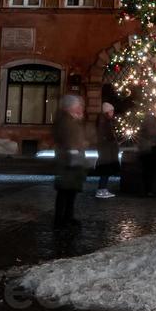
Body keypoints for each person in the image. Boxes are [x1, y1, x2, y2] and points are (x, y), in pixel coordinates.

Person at [53, 94, 88, 229]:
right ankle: (61, 219)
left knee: (70, 191)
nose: (81, 108)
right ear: (71, 108)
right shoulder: (66, 121)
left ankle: (68, 217)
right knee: (65, 192)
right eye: (79, 106)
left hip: (71, 161)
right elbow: (67, 140)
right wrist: (77, 146)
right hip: (68, 161)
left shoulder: (72, 120)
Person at [95, 102, 120, 198]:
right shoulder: (103, 121)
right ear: (107, 111)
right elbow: (105, 135)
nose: (113, 112)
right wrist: (112, 140)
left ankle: (103, 189)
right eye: (111, 111)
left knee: (106, 170)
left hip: (106, 149)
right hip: (105, 149)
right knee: (105, 170)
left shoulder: (106, 120)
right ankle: (101, 190)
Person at [138, 112, 156, 196]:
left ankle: (146, 190)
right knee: (150, 171)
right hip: (150, 151)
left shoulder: (144, 126)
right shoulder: (152, 126)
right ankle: (149, 190)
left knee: (146, 172)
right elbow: (155, 135)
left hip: (145, 151)